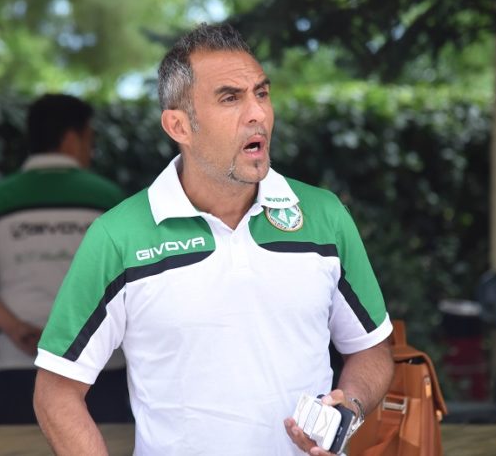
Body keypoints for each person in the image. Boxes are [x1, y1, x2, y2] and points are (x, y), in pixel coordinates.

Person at [33, 23, 395, 455]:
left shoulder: (324, 216)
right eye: (230, 98)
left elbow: (372, 349)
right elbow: (56, 391)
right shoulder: (117, 237)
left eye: (261, 93)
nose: (257, 113)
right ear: (179, 126)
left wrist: (348, 406)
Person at [0, 94, 129, 425]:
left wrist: (16, 328)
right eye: (89, 139)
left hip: (20, 364)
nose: (90, 149)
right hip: (99, 366)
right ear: (72, 138)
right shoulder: (108, 198)